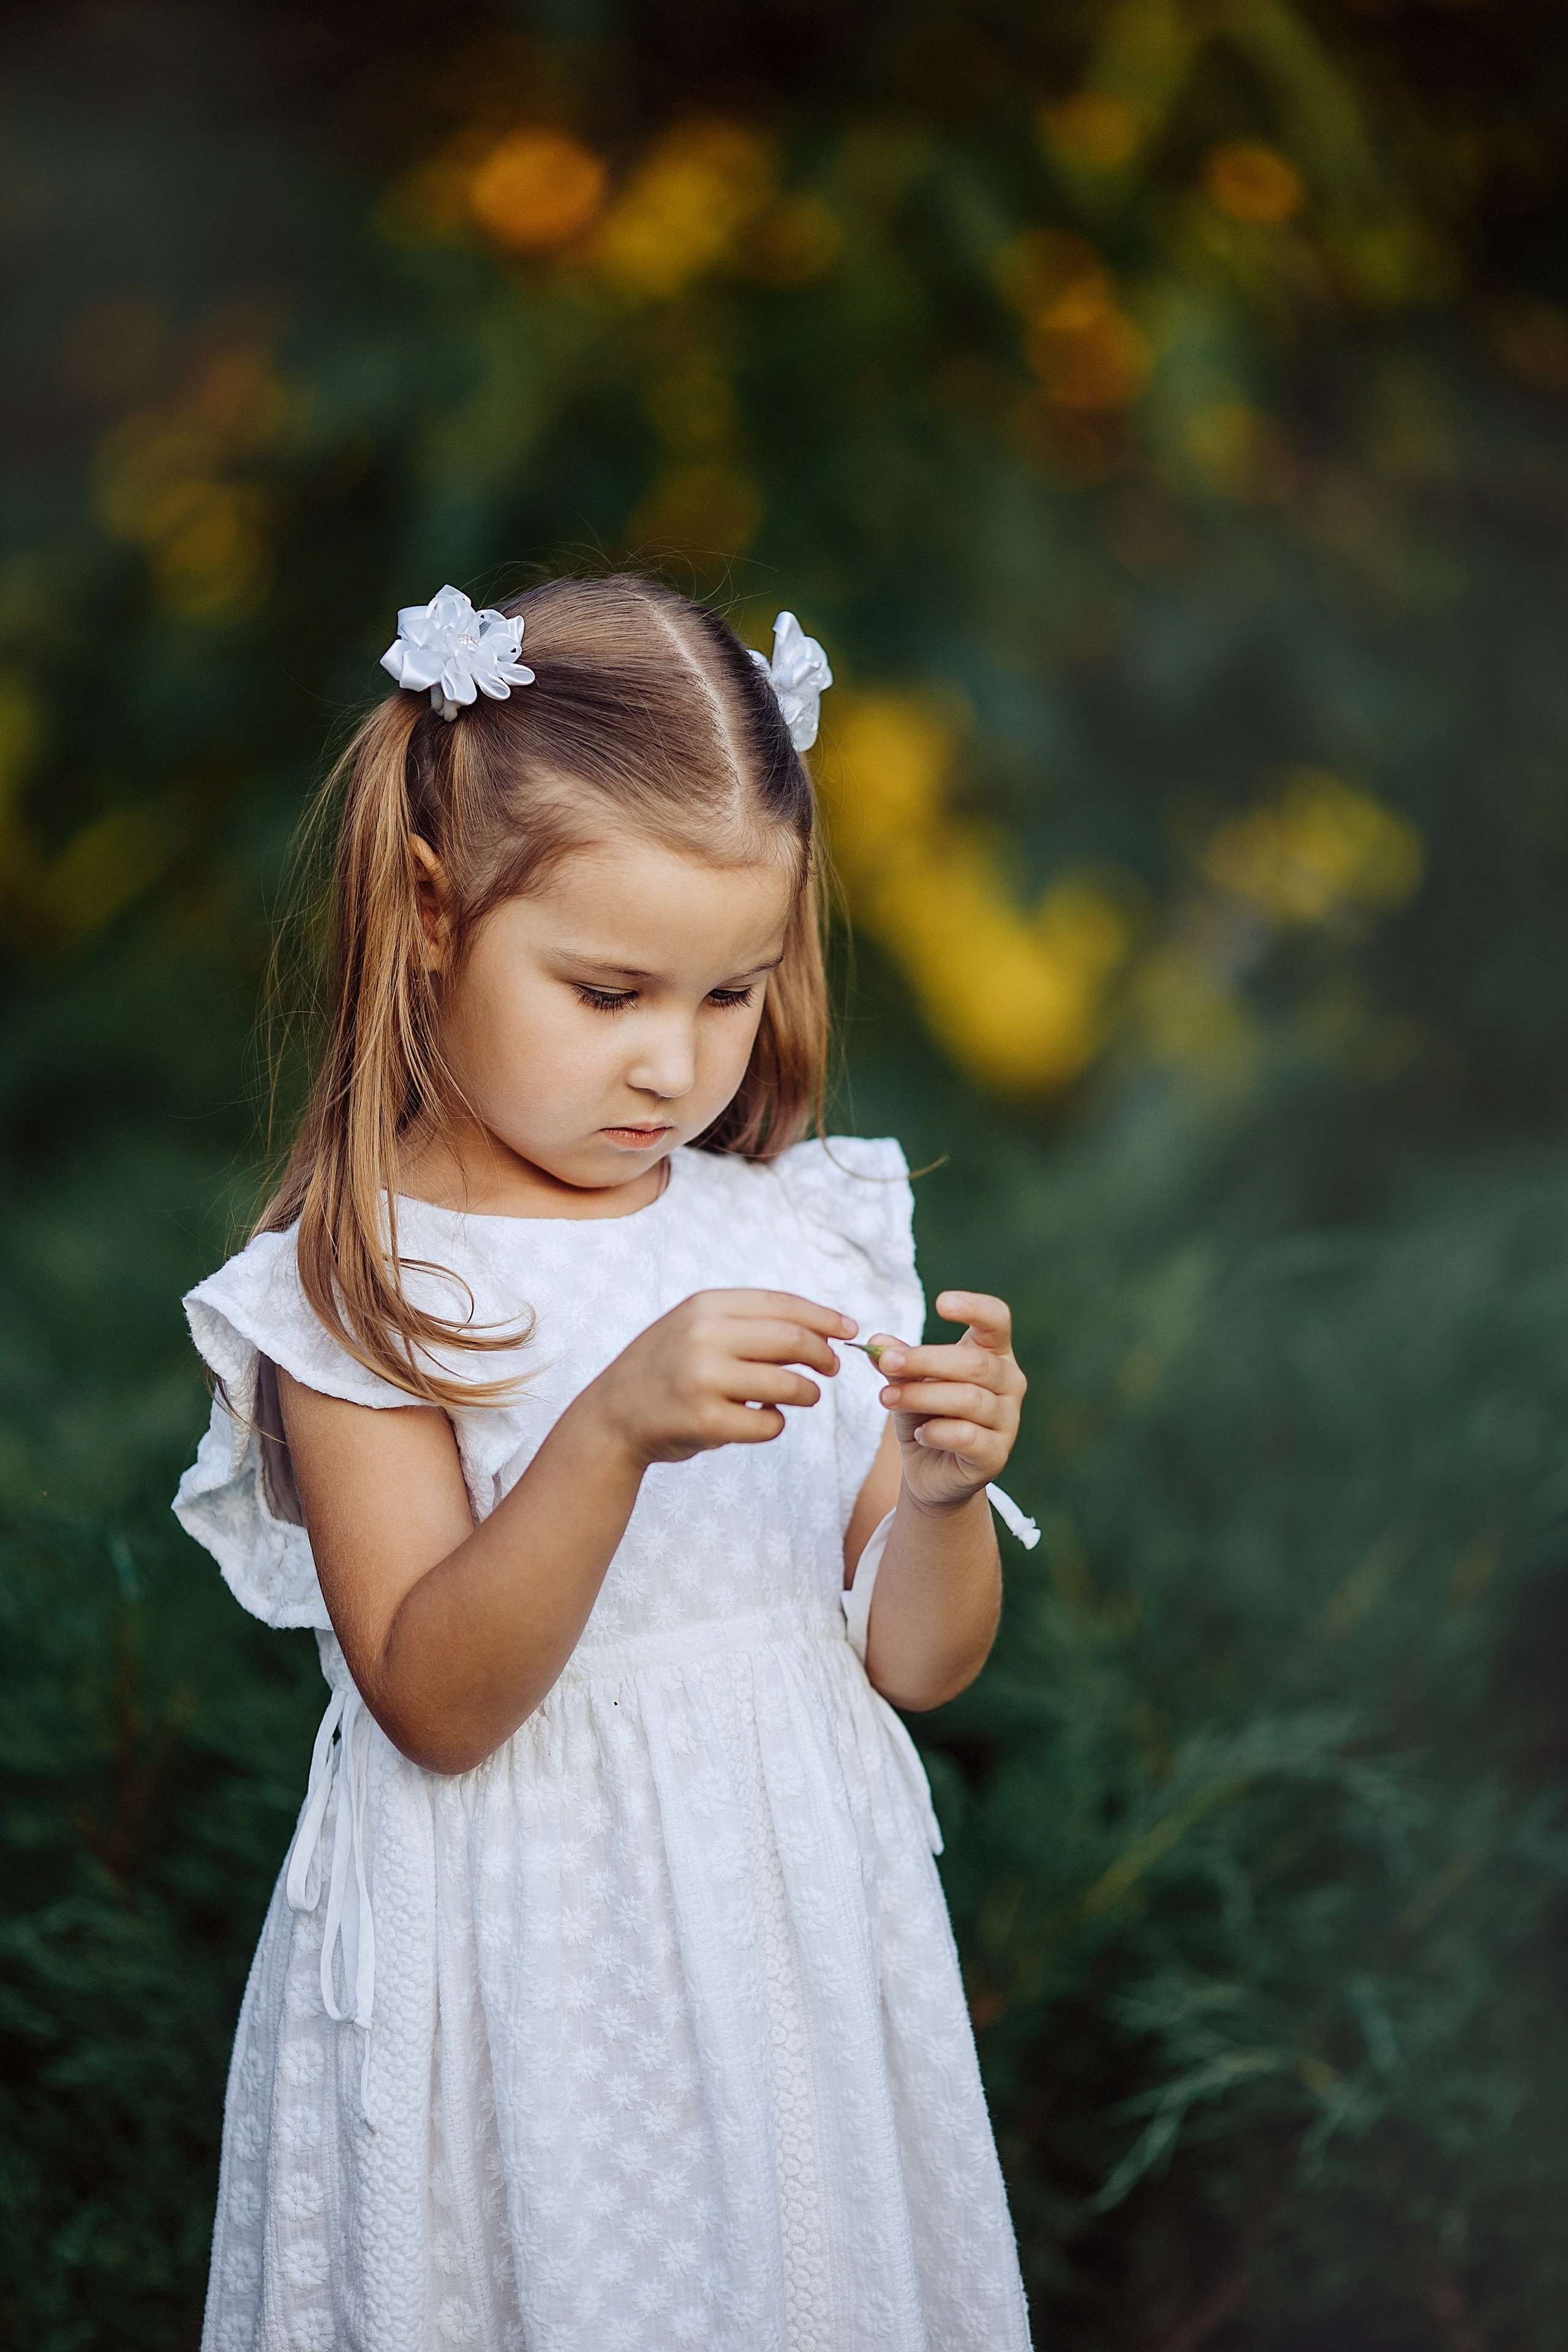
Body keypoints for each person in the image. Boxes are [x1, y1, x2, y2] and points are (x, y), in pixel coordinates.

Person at [175, 575, 1036, 2351]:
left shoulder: (804, 1232)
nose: (676, 1061)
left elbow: (916, 1662)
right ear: (431, 916)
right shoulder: (371, 1292)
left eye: (730, 993)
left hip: (796, 1953)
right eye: (607, 989)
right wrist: (611, 1433)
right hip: (524, 1985)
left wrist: (943, 1497)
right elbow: (434, 1693)